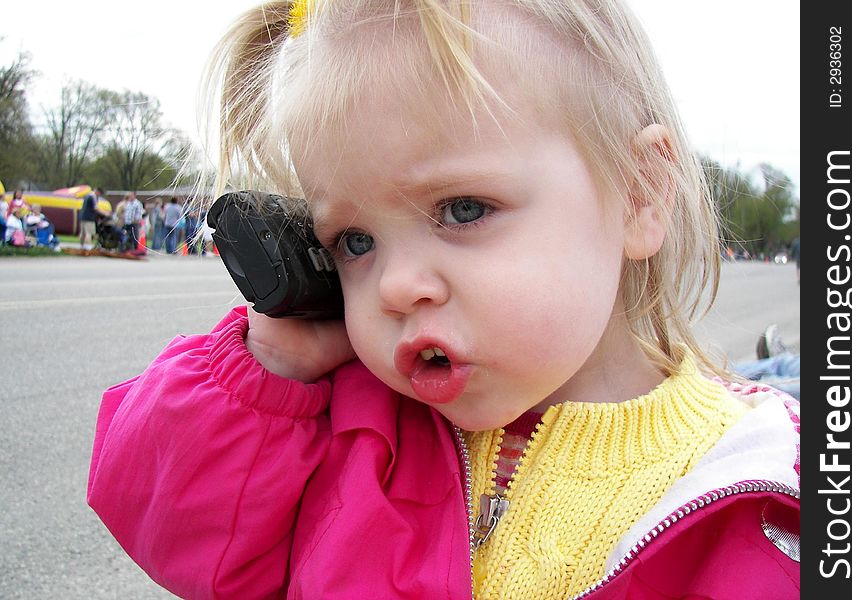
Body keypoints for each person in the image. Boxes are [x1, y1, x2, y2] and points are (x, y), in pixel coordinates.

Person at [87, 2, 800, 599]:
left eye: (461, 209)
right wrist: (274, 361)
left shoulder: (772, 495)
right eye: (355, 242)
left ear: (640, 193)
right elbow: (171, 523)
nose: (395, 286)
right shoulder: (354, 434)